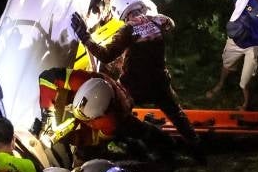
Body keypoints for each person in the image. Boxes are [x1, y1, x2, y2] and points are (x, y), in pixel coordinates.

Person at [70, 0, 199, 148]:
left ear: (119, 10)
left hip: (134, 85)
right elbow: (170, 24)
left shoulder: (127, 29)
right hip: (160, 81)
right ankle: (197, 149)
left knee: (118, 112)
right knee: (177, 115)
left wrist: (85, 37)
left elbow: (106, 55)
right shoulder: (157, 20)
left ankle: (133, 142)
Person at [36, 67, 174, 163]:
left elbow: (94, 140)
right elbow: (47, 77)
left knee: (134, 131)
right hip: (106, 88)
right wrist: (48, 115)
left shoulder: (111, 121)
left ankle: (165, 145)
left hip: (124, 113)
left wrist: (70, 138)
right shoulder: (82, 80)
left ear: (98, 116)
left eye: (85, 119)